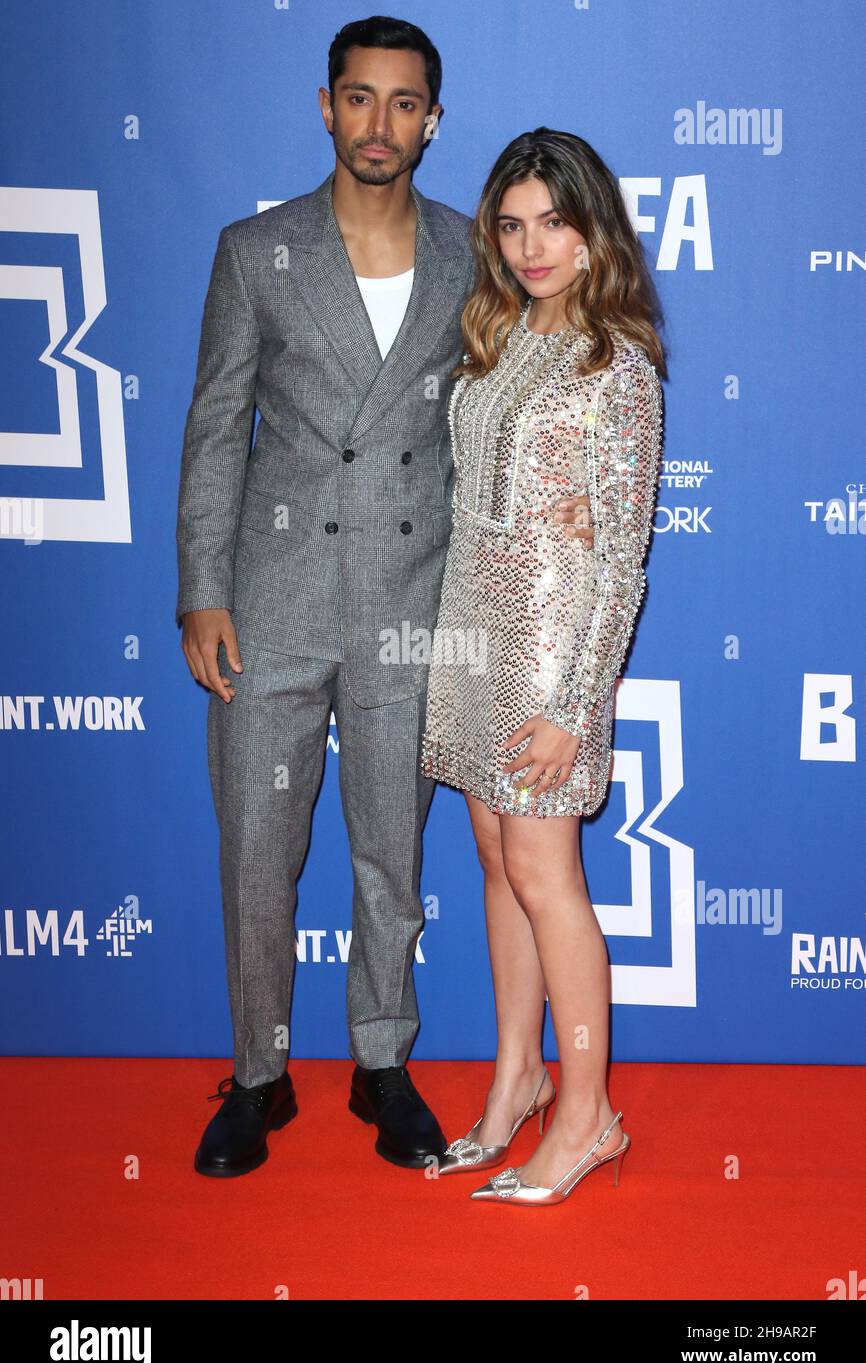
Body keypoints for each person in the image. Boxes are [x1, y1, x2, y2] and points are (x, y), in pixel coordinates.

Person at [175, 19, 591, 1178]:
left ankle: (379, 1061)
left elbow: (513, 406)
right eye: (359, 100)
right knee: (258, 846)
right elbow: (215, 431)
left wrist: (565, 504)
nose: (379, 125)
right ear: (325, 108)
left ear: (432, 121)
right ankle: (259, 1075)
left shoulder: (475, 254)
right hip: (272, 594)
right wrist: (202, 589)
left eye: (403, 104)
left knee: (389, 851)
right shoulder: (253, 252)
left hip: (417, 598)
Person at [421, 128, 666, 1205]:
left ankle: (587, 1115)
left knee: (546, 875)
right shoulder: (499, 336)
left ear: (590, 228)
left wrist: (573, 703)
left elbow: (619, 565)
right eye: (512, 225)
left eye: (552, 223)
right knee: (495, 862)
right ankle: (515, 1078)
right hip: (471, 631)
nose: (530, 246)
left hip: (548, 648)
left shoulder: (618, 368)